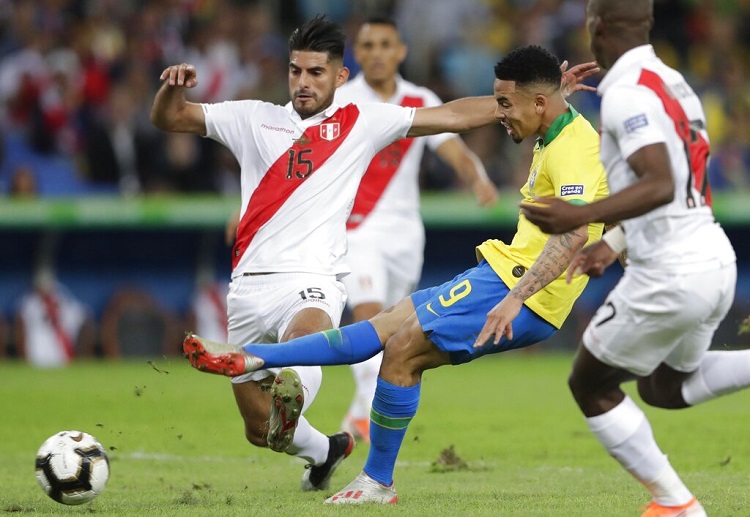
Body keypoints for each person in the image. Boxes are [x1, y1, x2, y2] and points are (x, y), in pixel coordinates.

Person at [153, 16, 598, 493]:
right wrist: (170, 89)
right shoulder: (251, 117)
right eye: (296, 71)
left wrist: (534, 105)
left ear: (339, 77)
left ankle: (270, 375)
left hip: (329, 274)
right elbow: (170, 118)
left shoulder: (362, 120)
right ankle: (324, 446)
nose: (304, 82)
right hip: (250, 281)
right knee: (268, 424)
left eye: (316, 72)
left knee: (382, 343)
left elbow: (453, 117)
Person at [521, 1, 749, 516]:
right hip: (712, 257)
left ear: (595, 26)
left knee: (590, 383)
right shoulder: (675, 82)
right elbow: (683, 177)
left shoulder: (625, 93)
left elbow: (661, 181)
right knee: (665, 387)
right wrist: (613, 243)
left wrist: (579, 216)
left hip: (671, 272)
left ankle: (677, 506)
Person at [334, 16, 498, 442]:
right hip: (356, 230)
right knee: (367, 317)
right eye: (367, 45)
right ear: (358, 52)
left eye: (385, 44)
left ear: (400, 51)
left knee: (392, 336)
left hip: (406, 237)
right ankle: (368, 420)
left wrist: (476, 176)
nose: (376, 53)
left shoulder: (418, 98)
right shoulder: (340, 99)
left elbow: (455, 148)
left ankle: (353, 425)